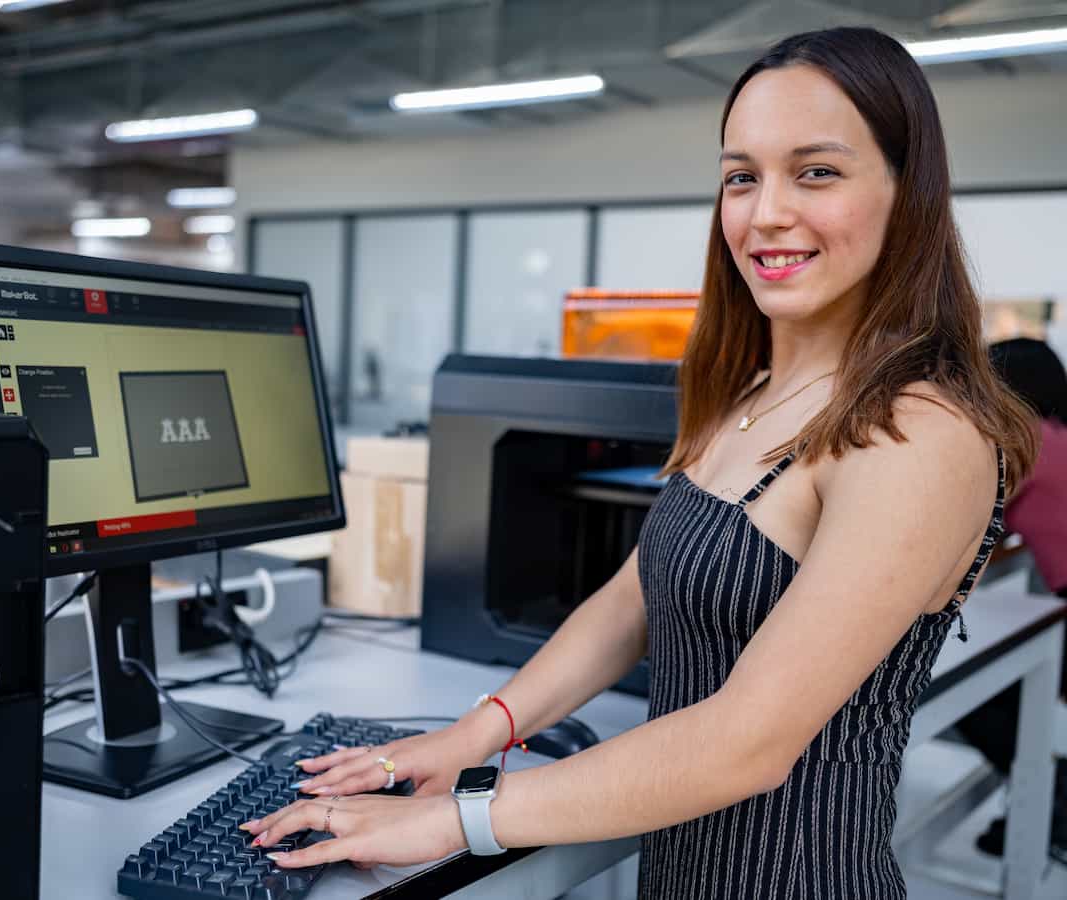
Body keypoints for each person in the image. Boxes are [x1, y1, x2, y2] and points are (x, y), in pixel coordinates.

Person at [239, 27, 1039, 897]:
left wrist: (456, 815)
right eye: (742, 176)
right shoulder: (749, 393)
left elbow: (747, 745)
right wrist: (469, 739)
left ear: (905, 191)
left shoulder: (923, 431)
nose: (766, 212)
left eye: (816, 172)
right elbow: (630, 602)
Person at [956, 336, 1067, 862]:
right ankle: (1041, 803)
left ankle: (1050, 804)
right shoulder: (1056, 435)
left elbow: (969, 520)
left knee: (980, 695)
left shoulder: (1021, 437)